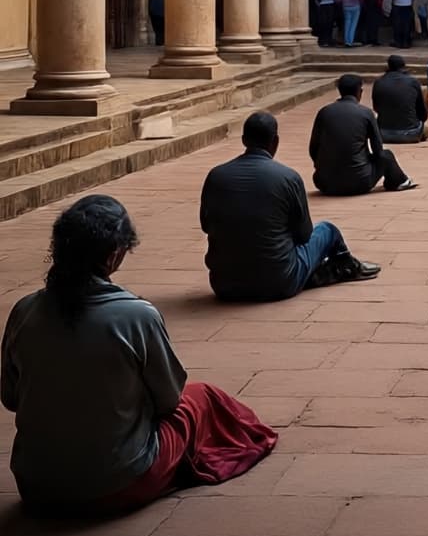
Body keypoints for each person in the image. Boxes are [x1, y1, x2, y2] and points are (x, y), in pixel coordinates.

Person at [1, 195, 277, 513]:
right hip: (117, 483)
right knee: (201, 399)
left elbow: (10, 397)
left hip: (36, 485)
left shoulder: (24, 311)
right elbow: (170, 399)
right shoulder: (135, 315)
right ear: (115, 255)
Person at [200, 112, 380, 301]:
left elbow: (206, 225)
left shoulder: (215, 176)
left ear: (244, 140)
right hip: (279, 282)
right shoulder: (288, 177)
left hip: (224, 284)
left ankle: (317, 270)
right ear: (275, 142)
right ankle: (347, 265)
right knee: (327, 230)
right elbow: (304, 235)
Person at [309, 75, 417, 195]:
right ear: (359, 92)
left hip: (325, 183)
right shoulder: (366, 113)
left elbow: (313, 148)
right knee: (387, 155)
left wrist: (324, 167)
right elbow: (378, 151)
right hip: (359, 182)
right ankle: (400, 181)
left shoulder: (324, 112)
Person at [371, 54, 428, 142]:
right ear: (403, 66)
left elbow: (376, 108)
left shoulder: (378, 82)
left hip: (383, 134)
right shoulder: (413, 82)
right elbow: (423, 114)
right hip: (411, 133)